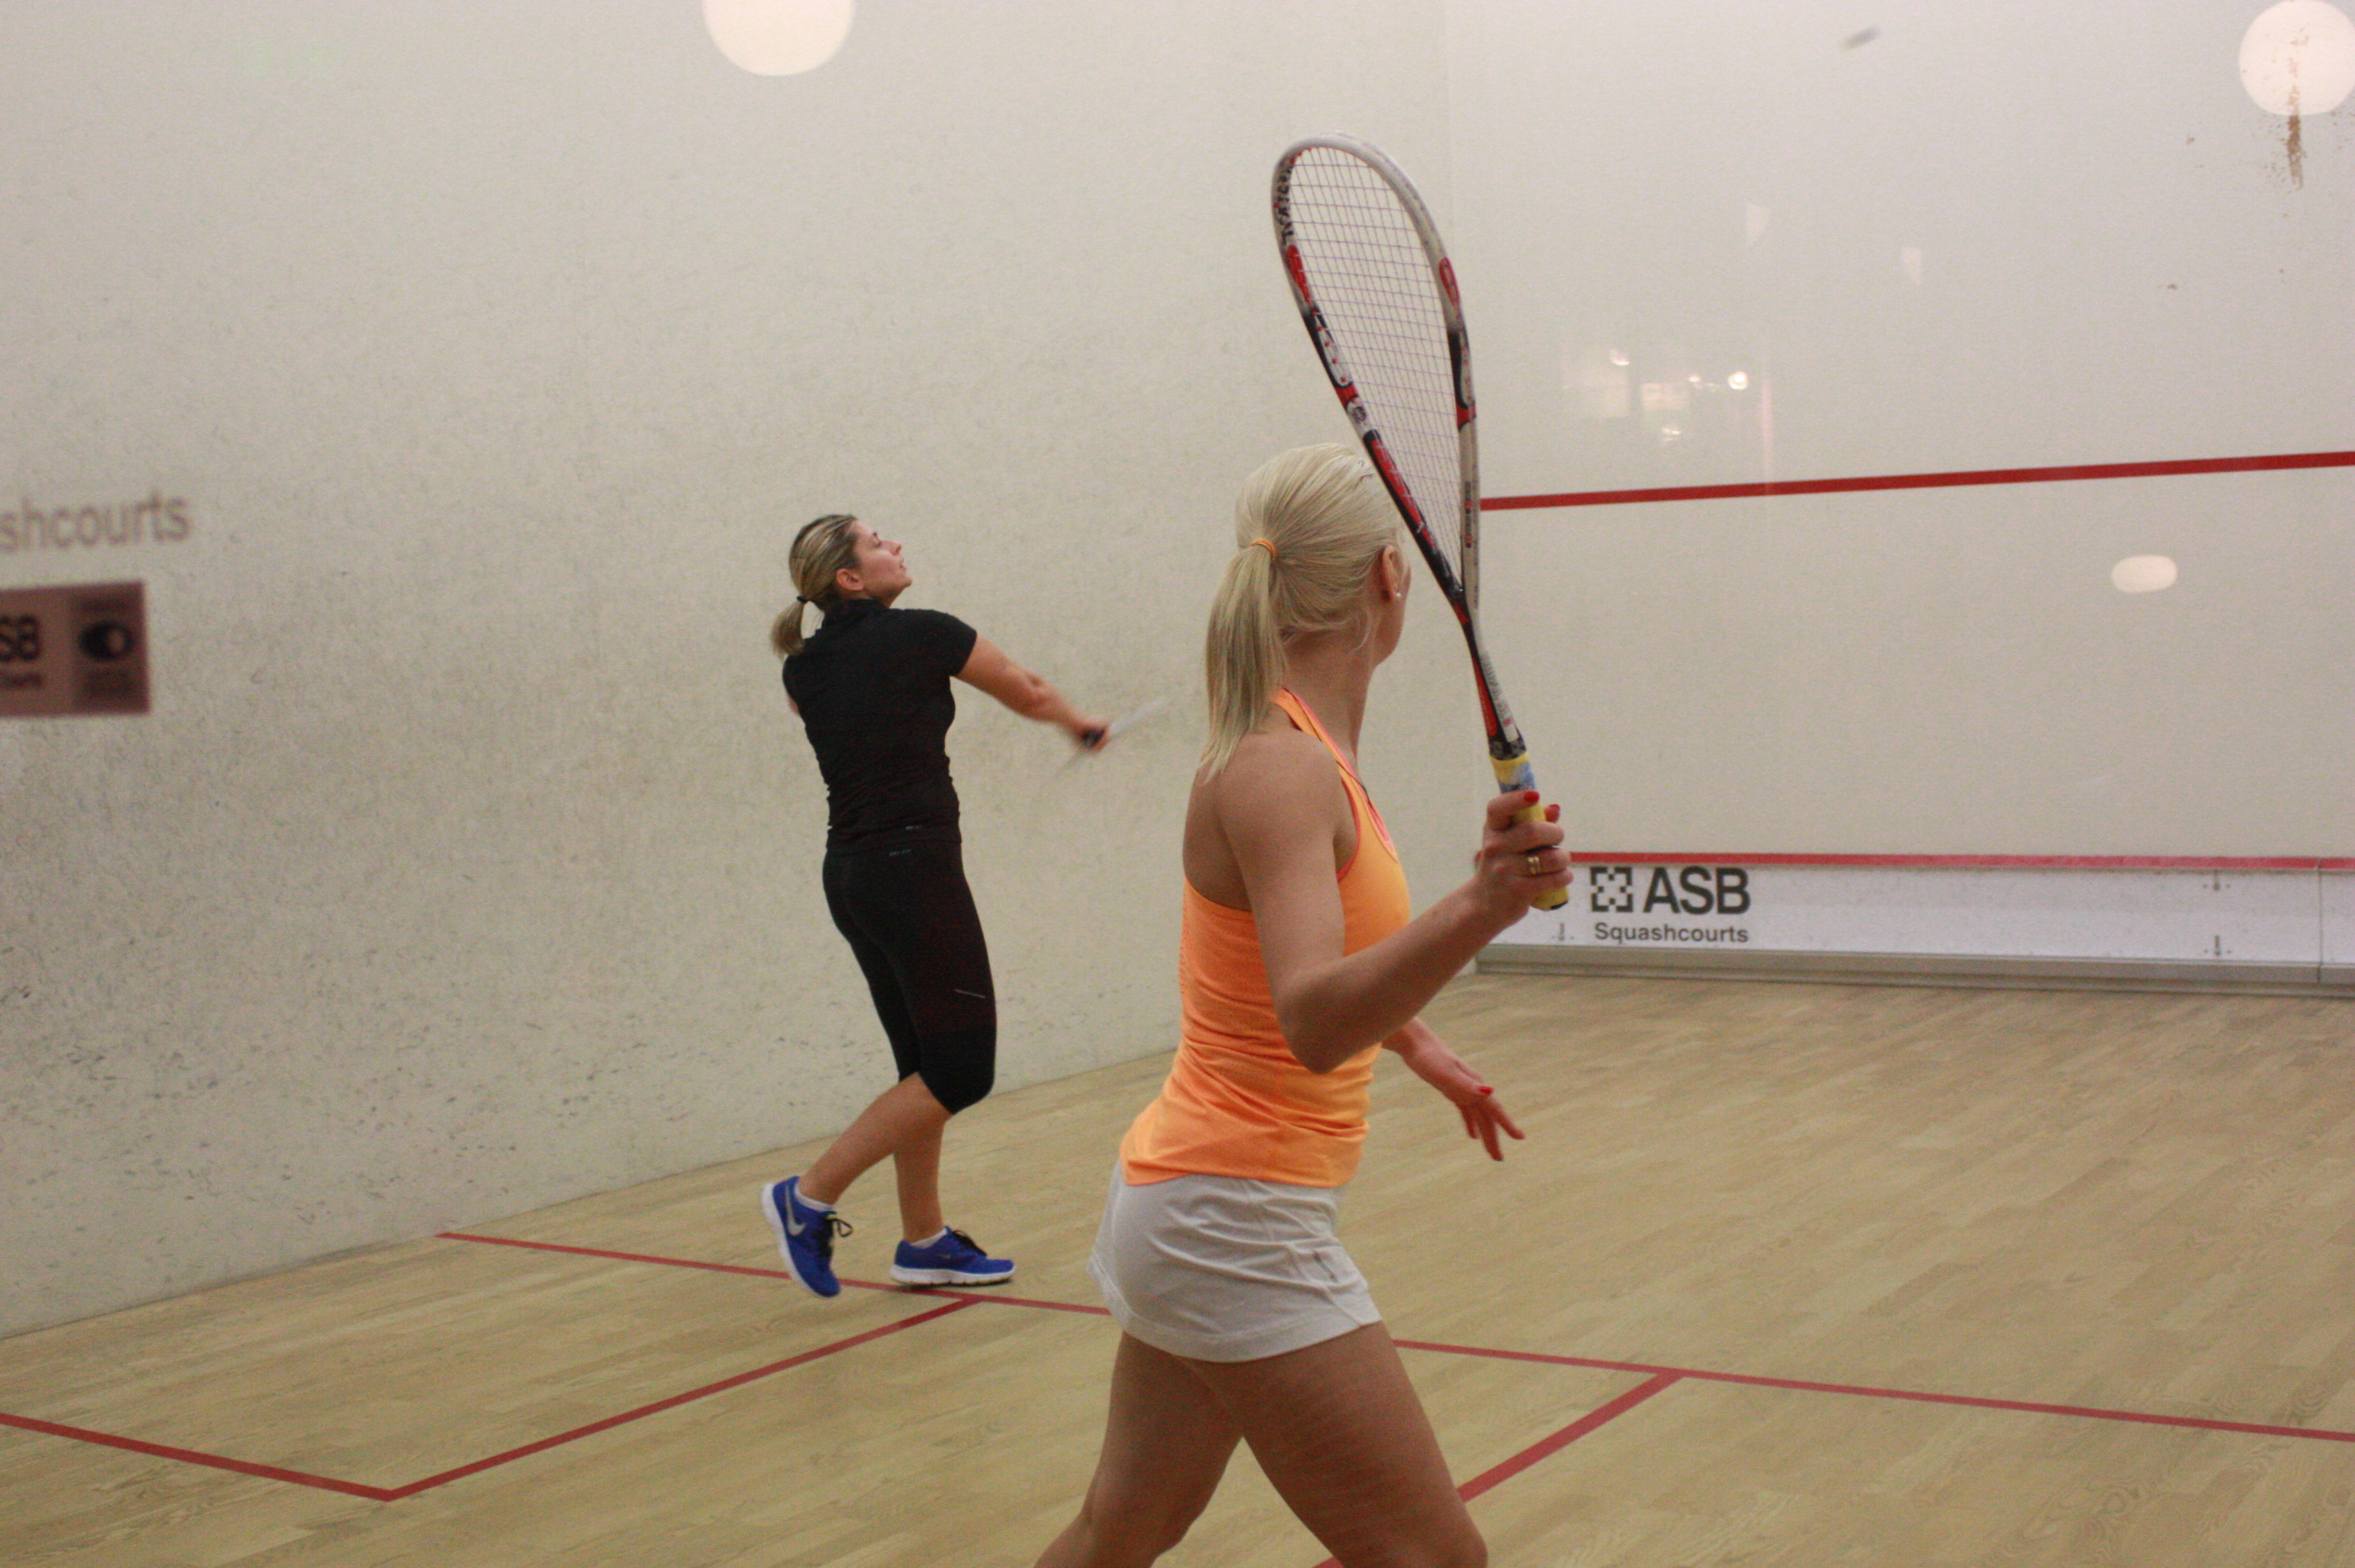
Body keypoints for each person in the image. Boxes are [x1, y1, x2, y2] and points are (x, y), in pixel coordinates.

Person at [1036, 447, 1569, 1568]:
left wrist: (1416, 1040)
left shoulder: (1302, 752)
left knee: (1123, 1530)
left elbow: (1299, 959)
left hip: (1194, 1203)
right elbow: (1313, 1020)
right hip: (1232, 1217)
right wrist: (1482, 903)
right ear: (1389, 576)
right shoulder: (1282, 769)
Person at [762, 513, 1106, 1299]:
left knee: (920, 1071)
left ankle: (924, 1242)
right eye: (878, 543)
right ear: (850, 577)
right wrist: (1078, 724)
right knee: (961, 1070)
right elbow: (1026, 688)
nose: (896, 547)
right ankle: (808, 1195)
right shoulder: (923, 633)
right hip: (912, 871)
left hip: (851, 878)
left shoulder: (800, 671)